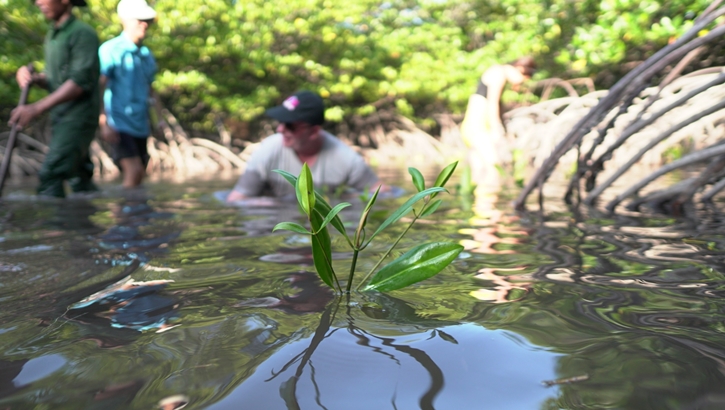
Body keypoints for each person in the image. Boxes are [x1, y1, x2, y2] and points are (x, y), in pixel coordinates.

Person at [9, 0, 100, 198]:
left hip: (77, 117)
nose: (38, 2)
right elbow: (54, 79)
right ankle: (88, 225)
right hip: (60, 116)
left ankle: (53, 228)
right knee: (79, 178)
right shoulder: (53, 34)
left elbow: (78, 83)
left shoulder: (82, 33)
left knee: (51, 174)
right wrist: (34, 78)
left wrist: (35, 108)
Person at [226, 90, 382, 203]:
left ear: (313, 131)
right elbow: (236, 199)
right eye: (280, 122)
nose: (280, 130)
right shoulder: (267, 151)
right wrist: (272, 205)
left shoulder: (347, 159)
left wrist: (345, 200)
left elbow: (382, 193)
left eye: (290, 126)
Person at [98, 0, 159, 189]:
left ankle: (134, 215)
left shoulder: (146, 55)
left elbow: (151, 90)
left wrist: (159, 119)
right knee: (134, 171)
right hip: (119, 123)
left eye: (147, 19)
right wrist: (103, 121)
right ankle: (124, 217)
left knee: (140, 174)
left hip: (140, 124)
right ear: (125, 20)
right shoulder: (110, 50)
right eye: (139, 19)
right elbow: (100, 86)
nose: (144, 24)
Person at [460, 56, 536, 192]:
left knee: (479, 169)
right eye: (523, 80)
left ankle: (482, 210)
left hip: (473, 127)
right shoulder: (499, 73)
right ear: (520, 69)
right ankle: (490, 208)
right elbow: (492, 102)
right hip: (477, 127)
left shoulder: (498, 73)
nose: (519, 85)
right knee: (493, 166)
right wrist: (496, 129)